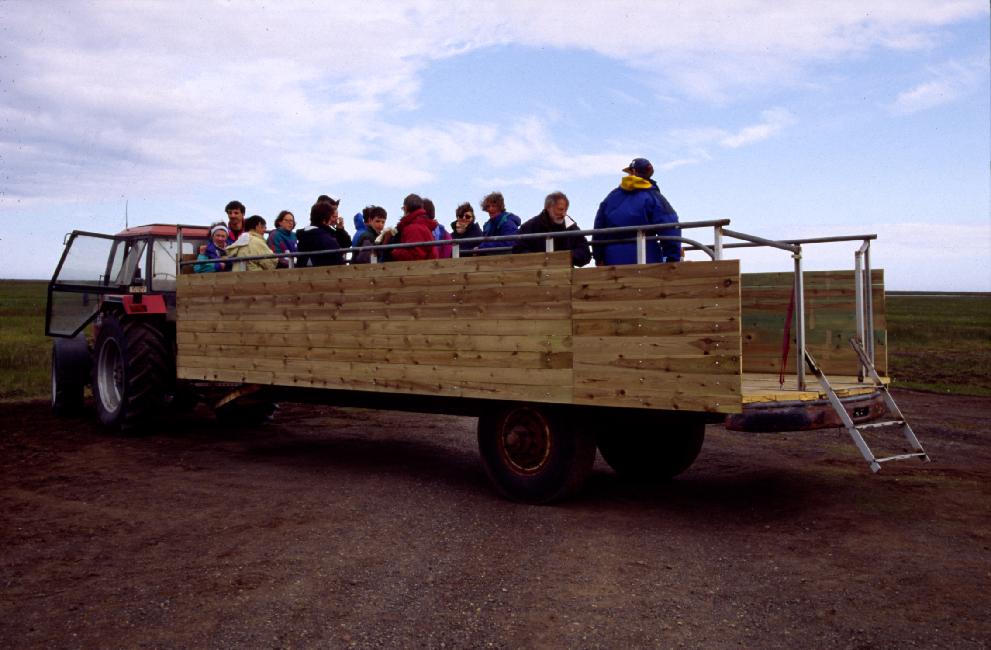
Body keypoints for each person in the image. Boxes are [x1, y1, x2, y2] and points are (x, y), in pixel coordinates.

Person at [592, 157, 681, 265]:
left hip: (612, 259)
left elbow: (598, 228)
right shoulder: (654, 197)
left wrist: (598, 257)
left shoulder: (611, 197)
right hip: (647, 257)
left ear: (633, 172)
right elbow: (670, 227)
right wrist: (673, 258)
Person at [513, 191, 591, 267]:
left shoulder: (571, 225)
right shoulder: (530, 227)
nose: (564, 214)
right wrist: (539, 259)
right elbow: (518, 250)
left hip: (565, 274)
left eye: (565, 210)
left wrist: (567, 256)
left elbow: (585, 252)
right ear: (548, 208)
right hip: (537, 275)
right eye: (560, 209)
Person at [381, 194, 440, 262]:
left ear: (405, 208)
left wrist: (392, 250)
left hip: (419, 270)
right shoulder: (421, 224)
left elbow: (414, 255)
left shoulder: (414, 227)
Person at [297, 202, 344, 266]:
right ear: (324, 220)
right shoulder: (326, 239)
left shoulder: (303, 236)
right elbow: (339, 260)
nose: (331, 221)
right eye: (330, 218)